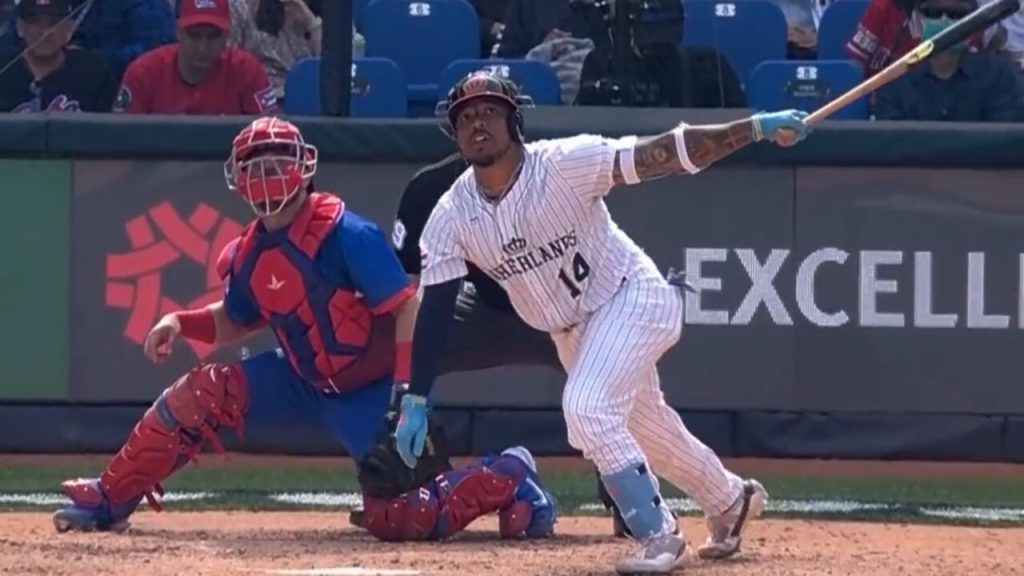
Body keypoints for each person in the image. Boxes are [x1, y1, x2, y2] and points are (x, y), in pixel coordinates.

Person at [51, 116, 558, 544]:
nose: (268, 177)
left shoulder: (347, 234)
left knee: (402, 517)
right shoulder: (248, 253)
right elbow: (234, 320)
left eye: (278, 165)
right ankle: (110, 497)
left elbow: (408, 309)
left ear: (303, 169)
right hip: (299, 381)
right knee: (201, 391)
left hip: (368, 388)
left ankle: (508, 474)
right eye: (255, 167)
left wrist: (406, 398)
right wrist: (178, 322)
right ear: (238, 178)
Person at [393, 69, 809, 574]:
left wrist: (754, 129)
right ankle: (729, 501)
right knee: (654, 433)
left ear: (514, 121)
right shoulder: (450, 214)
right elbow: (436, 305)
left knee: (587, 409)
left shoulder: (564, 163)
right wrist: (416, 396)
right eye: (466, 117)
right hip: (571, 333)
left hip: (631, 296)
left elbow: (668, 153)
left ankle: (659, 535)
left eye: (489, 112)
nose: (477, 123)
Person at [114, 0, 277, 115]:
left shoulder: (248, 71)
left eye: (212, 37)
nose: (202, 47)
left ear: (227, 36)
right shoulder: (143, 73)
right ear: (178, 32)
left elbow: (271, 139)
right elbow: (120, 141)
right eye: (194, 36)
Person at [874, 0, 1024, 121]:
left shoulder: (999, 78)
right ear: (917, 19)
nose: (944, 20)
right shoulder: (894, 81)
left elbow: (1003, 147)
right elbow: (892, 148)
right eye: (934, 13)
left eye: (956, 14)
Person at [0, 0, 117, 113]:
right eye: (35, 22)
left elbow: (112, 128)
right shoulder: (4, 69)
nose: (45, 32)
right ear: (20, 28)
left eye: (53, 23)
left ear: (69, 28)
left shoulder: (94, 73)